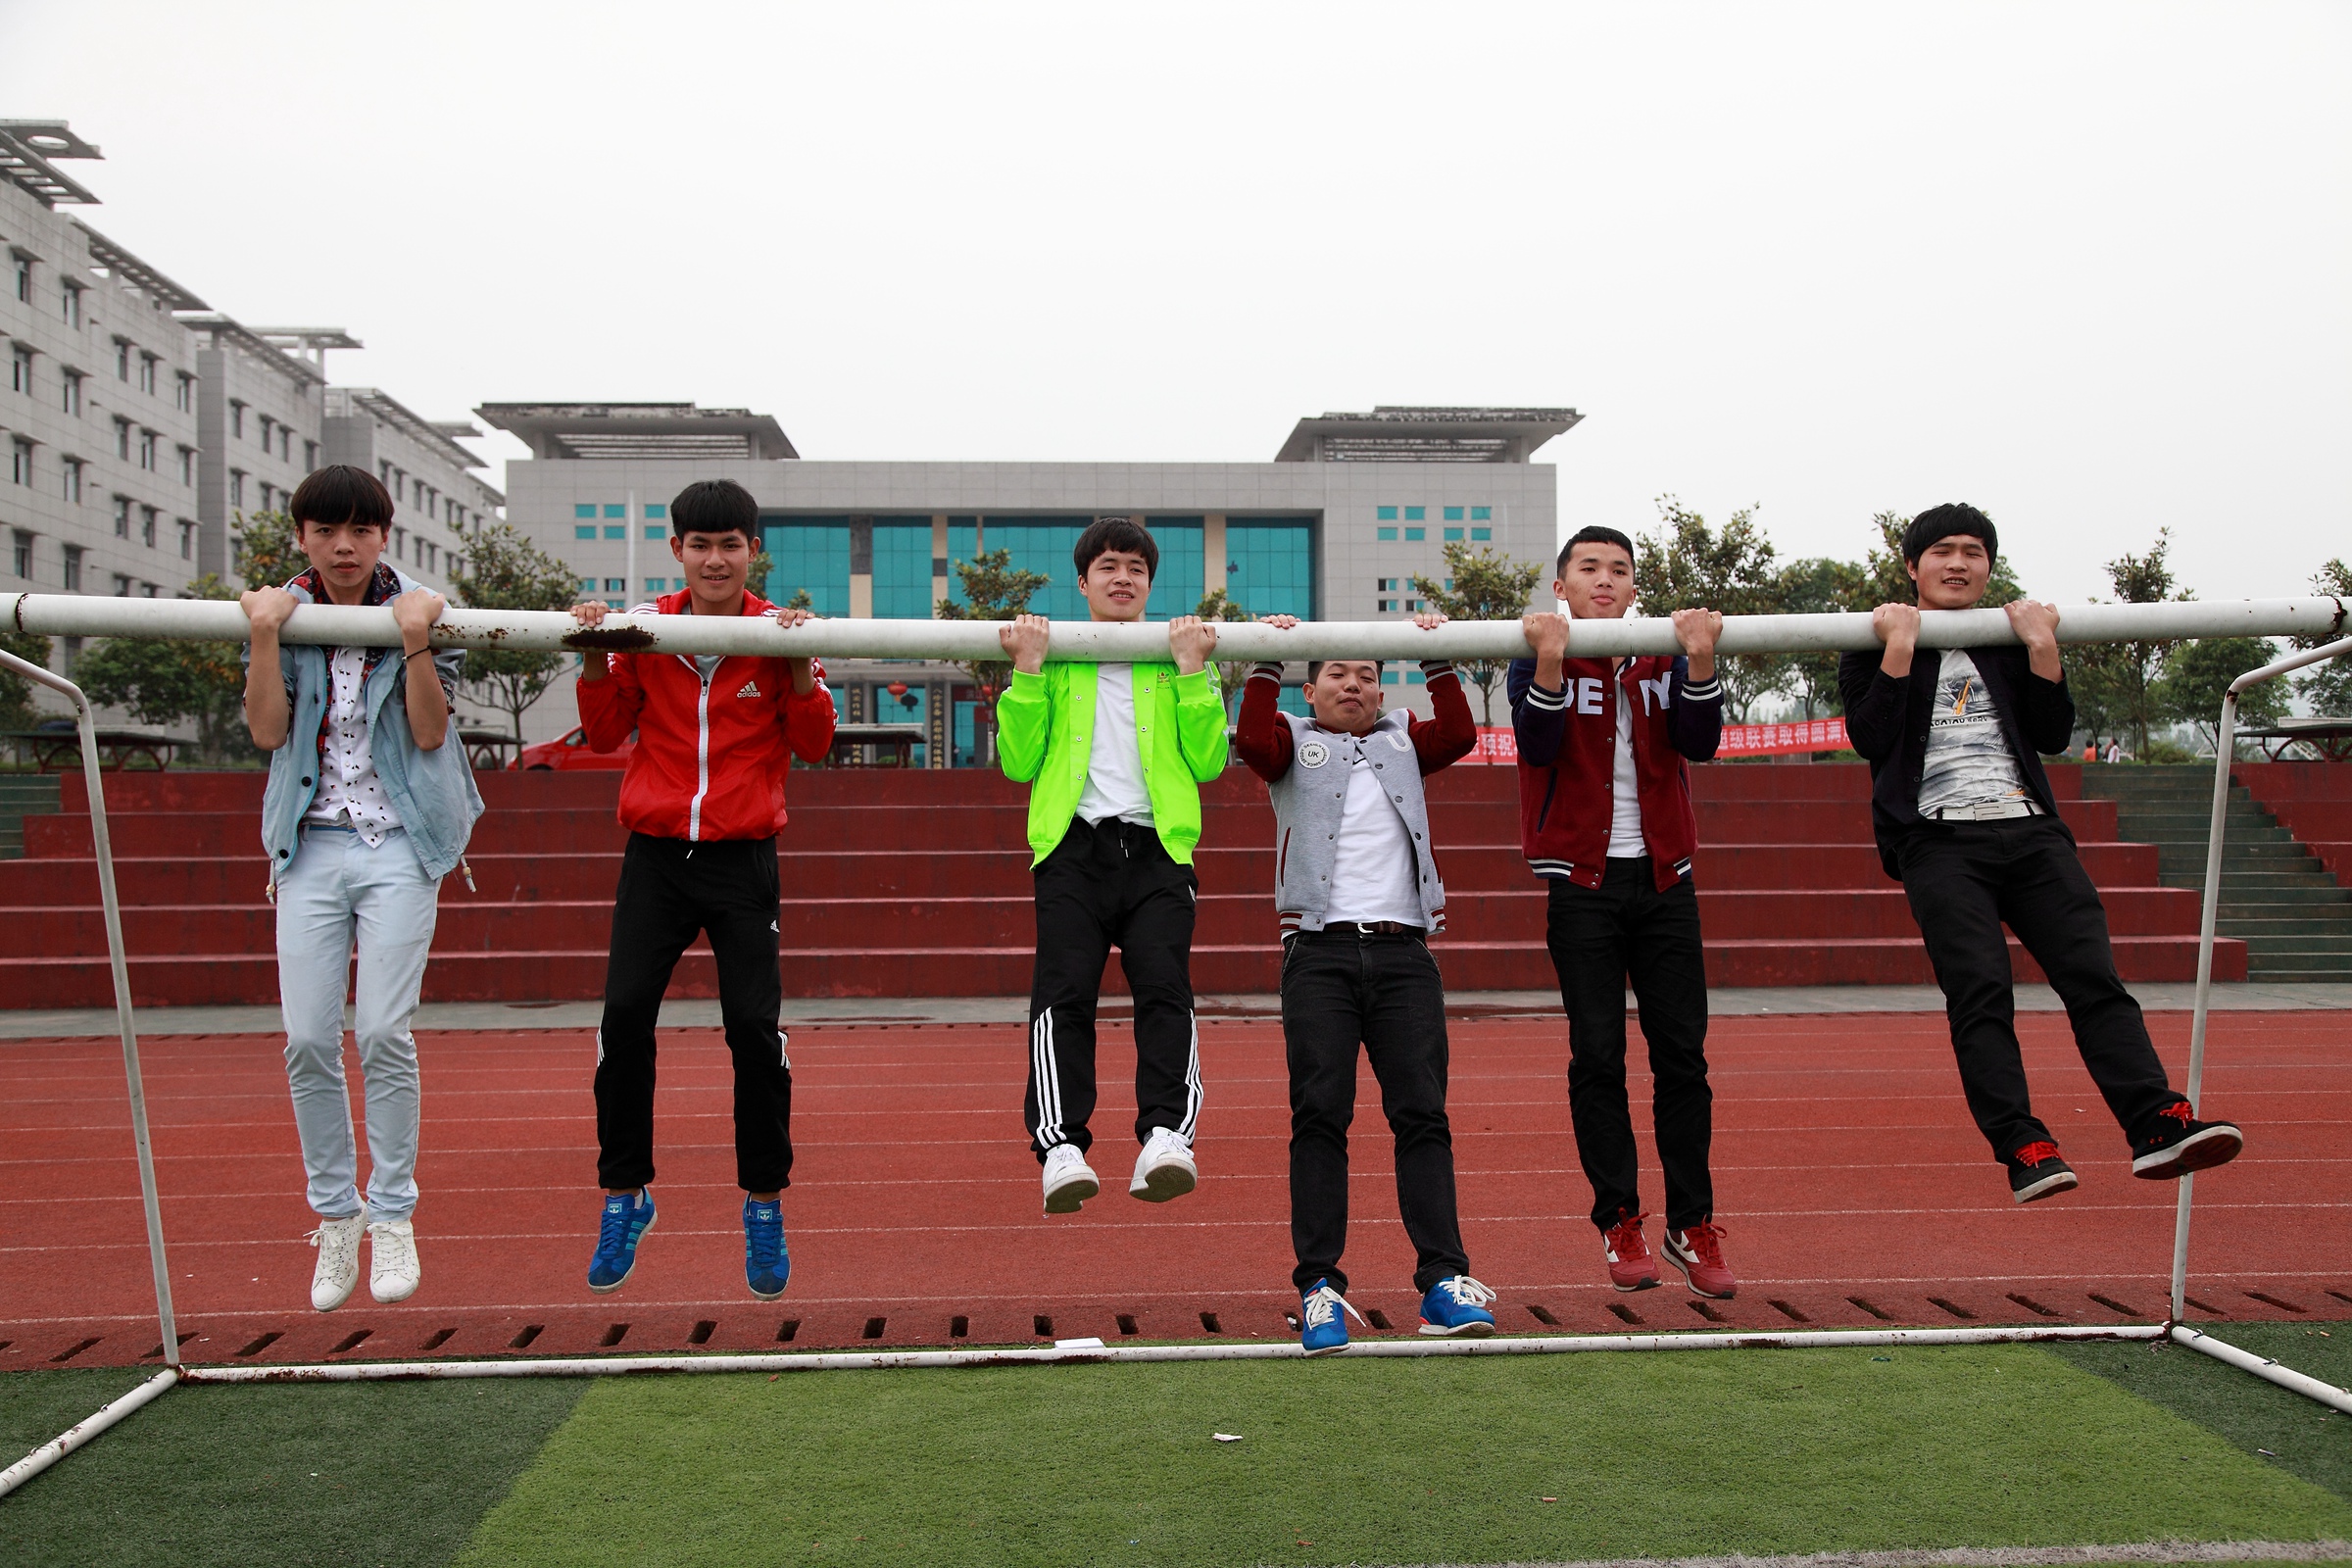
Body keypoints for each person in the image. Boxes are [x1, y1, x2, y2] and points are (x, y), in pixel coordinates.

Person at [1838, 503, 2242, 1203]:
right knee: (1981, 991)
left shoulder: (2008, 635)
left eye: (1973, 552)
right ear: (1912, 566)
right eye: (1942, 551)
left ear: (1989, 566)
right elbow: (1870, 739)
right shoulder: (1868, 641)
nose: (1958, 563)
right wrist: (1899, 647)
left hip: (2030, 832)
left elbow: (2053, 734)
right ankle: (2024, 1145)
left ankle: (2156, 1122)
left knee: (2094, 979)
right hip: (1938, 841)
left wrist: (2043, 649)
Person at [567, 478, 836, 1298]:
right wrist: (592, 649)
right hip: (655, 858)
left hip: (742, 858)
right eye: (700, 545)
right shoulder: (646, 627)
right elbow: (604, 733)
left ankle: (764, 1203)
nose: (715, 559)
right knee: (623, 1018)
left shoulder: (781, 630)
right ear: (677, 550)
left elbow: (815, 743)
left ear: (753, 550)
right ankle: (625, 1193)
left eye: (730, 545)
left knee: (753, 1029)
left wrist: (797, 667)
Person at [240, 465, 482, 1312]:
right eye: (325, 531)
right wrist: (264, 636)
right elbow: (267, 730)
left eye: (361, 531)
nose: (343, 546)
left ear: (384, 535)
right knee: (309, 1039)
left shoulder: (422, 608)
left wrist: (414, 639)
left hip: (399, 844)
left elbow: (428, 732)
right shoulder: (279, 612)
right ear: (302, 536)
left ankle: (393, 1213)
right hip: (309, 844)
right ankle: (336, 1216)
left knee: (382, 1030)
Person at [1235, 615, 1498, 1354]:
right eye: (1337, 674)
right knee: (1320, 1117)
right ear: (1310, 687)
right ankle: (1319, 1286)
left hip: (1403, 952)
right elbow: (1251, 740)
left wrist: (1435, 655)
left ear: (1381, 690)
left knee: (1423, 1115)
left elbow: (1460, 734)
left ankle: (1444, 1281)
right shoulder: (1290, 739)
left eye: (1367, 675)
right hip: (1317, 953)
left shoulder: (1403, 739)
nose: (1353, 685)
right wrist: (1268, 658)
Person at [1509, 525, 1734, 1298]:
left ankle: (1691, 1223)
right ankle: (1619, 1218)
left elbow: (1700, 742)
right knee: (1598, 1056)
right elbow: (1537, 745)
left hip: (1666, 881)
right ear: (1561, 586)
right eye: (1589, 568)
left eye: (1619, 569)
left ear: (1635, 587)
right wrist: (1548, 659)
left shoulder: (1664, 653)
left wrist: (1700, 659)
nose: (1605, 579)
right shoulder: (1537, 649)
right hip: (1583, 884)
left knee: (1684, 1059)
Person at [996, 516, 1226, 1215]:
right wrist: (1026, 672)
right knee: (1063, 996)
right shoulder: (1054, 656)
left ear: (1150, 583)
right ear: (1083, 582)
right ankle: (1061, 1147)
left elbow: (1210, 761)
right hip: (1073, 850)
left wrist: (1194, 673)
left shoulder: (1179, 654)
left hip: (1158, 850)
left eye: (1136, 568)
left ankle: (1167, 1135)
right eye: (1108, 567)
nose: (1123, 578)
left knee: (1165, 991)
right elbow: (1017, 764)